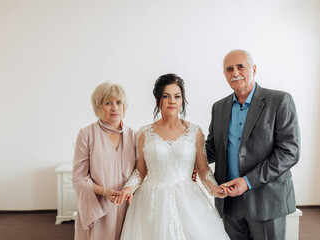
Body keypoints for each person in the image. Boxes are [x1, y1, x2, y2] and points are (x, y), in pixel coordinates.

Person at [116, 73, 230, 240]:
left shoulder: (194, 132)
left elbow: (203, 168)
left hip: (188, 199)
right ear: (157, 100)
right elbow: (140, 171)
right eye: (166, 96)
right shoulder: (144, 133)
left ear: (182, 100)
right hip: (151, 201)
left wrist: (214, 189)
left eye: (177, 96)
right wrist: (128, 188)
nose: (172, 101)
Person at [206, 49, 301, 240]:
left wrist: (248, 182)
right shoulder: (219, 107)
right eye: (229, 69)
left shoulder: (280, 100)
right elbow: (213, 148)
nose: (235, 73)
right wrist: (181, 147)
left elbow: (290, 151)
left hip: (266, 200)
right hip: (229, 202)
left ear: (254, 69)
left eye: (240, 66)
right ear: (224, 74)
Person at [72, 82, 136, 240]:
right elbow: (79, 178)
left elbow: (140, 171)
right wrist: (105, 192)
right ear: (98, 107)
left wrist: (129, 189)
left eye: (118, 102)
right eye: (108, 103)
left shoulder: (133, 135)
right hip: (99, 207)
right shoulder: (86, 134)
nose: (115, 107)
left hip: (127, 205)